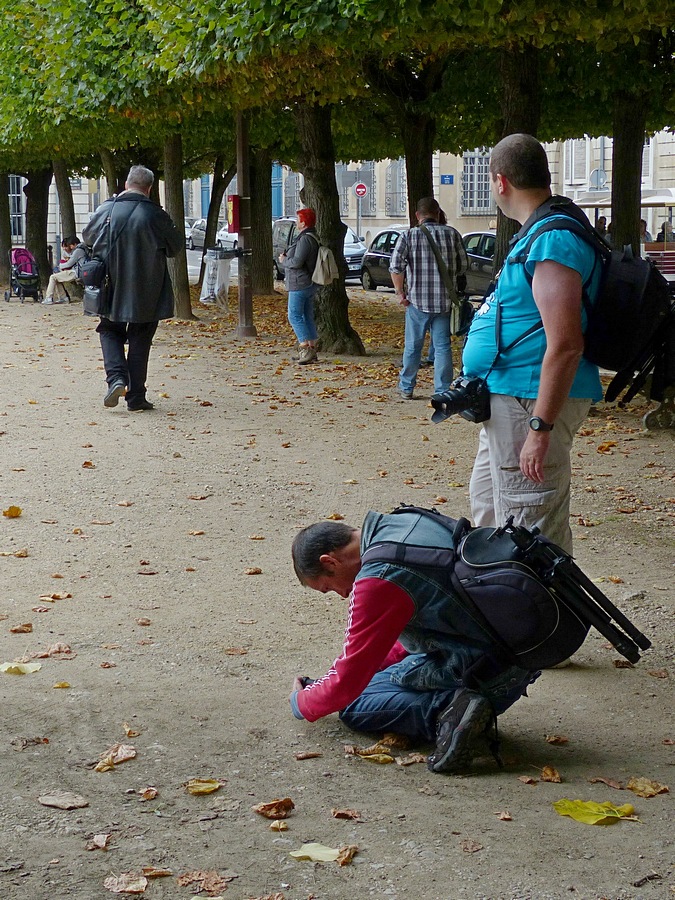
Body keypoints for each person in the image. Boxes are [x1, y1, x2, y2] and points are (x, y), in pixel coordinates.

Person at [289, 508, 539, 774]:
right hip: (516, 651)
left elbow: (346, 685)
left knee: (353, 705)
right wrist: (322, 685)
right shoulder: (403, 522)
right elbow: (388, 646)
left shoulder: (378, 578)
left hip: (484, 671)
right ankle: (459, 703)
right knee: (374, 681)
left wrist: (301, 702)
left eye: (328, 587)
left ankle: (449, 711)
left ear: (329, 562)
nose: (342, 594)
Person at [461, 134, 603, 555]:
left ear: (500, 182)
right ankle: (501, 609)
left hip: (529, 403)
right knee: (491, 518)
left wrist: (540, 428)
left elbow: (565, 345)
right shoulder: (538, 232)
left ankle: (545, 618)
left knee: (530, 529)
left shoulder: (554, 239)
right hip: (509, 399)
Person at [83, 165, 183, 411]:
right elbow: (175, 247)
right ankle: (136, 396)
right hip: (147, 289)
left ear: (126, 184)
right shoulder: (155, 215)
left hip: (111, 286)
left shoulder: (107, 209)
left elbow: (87, 238)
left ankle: (116, 378)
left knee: (108, 329)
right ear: (149, 188)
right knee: (141, 339)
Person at [390, 197, 467, 400]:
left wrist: (400, 293)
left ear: (417, 215)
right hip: (444, 302)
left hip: (416, 301)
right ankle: (442, 390)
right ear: (438, 213)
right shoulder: (452, 234)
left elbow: (395, 266)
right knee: (442, 347)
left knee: (413, 346)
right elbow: (463, 265)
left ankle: (407, 387)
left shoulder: (408, 236)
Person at [278, 208, 320, 365]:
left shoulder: (305, 239)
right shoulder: (312, 236)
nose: (296, 222)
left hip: (300, 282)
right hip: (308, 282)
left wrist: (284, 260)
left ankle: (304, 347)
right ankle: (311, 348)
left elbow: (297, 262)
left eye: (298, 219)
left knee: (294, 315)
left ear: (303, 222)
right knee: (306, 315)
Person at [41, 235, 88, 305]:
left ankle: (49, 298)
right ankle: (63, 298)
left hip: (76, 272)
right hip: (78, 271)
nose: (70, 247)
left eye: (70, 245)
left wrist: (59, 267)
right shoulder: (81, 249)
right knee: (57, 277)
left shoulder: (78, 251)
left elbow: (69, 264)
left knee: (52, 277)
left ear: (75, 244)